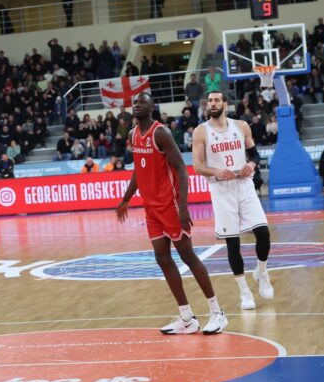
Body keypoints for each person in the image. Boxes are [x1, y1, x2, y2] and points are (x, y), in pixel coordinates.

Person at [115, 92, 227, 335]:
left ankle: (217, 312)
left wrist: (184, 206)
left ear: (152, 107)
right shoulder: (133, 134)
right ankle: (187, 317)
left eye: (142, 102)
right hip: (151, 208)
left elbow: (181, 169)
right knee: (162, 258)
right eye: (134, 102)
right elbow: (139, 169)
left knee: (188, 256)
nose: (136, 105)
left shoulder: (160, 133)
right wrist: (126, 198)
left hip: (171, 206)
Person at [192, 91, 273, 311]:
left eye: (217, 100)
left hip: (244, 184)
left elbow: (255, 155)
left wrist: (253, 165)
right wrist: (216, 171)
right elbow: (197, 166)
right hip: (221, 189)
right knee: (232, 242)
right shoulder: (201, 132)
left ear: (225, 104)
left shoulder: (241, 126)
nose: (213, 103)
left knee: (263, 233)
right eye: (209, 100)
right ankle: (244, 291)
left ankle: (261, 272)